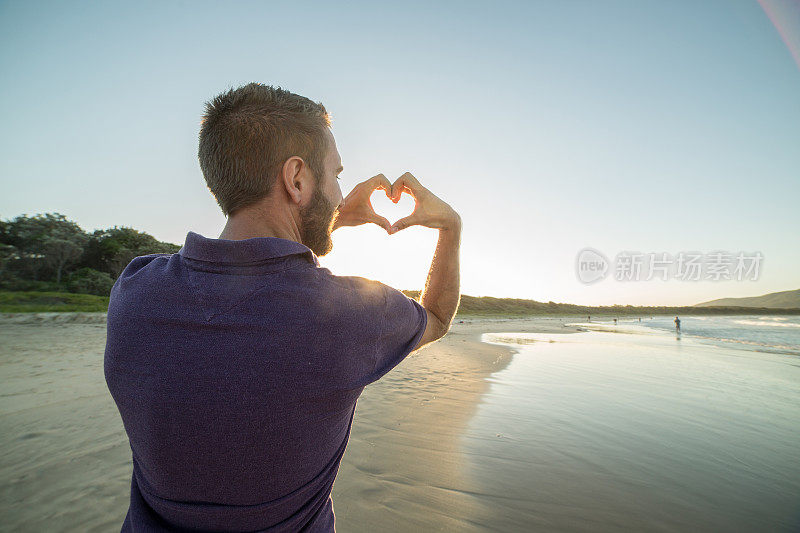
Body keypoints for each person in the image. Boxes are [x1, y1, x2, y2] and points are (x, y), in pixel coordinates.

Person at [104, 83, 462, 532]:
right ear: (297, 178)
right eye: (335, 174)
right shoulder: (349, 315)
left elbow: (271, 275)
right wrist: (450, 225)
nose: (339, 189)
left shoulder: (134, 294)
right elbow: (438, 317)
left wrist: (321, 213)